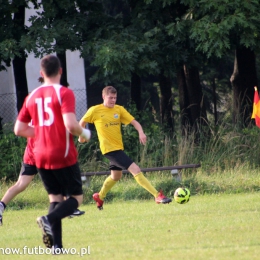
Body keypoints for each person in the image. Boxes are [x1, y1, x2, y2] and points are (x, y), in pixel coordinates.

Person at [13, 54, 91, 251]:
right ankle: (48, 218)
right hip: (61, 153)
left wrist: (40, 133)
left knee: (55, 198)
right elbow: (72, 126)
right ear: (60, 71)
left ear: (41, 73)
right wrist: (85, 133)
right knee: (76, 198)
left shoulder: (32, 96)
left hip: (39, 154)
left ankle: (57, 247)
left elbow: (19, 129)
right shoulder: (64, 93)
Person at [79, 86, 172, 210]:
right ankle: (157, 195)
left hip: (118, 148)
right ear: (103, 97)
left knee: (116, 176)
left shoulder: (119, 109)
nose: (113, 100)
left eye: (115, 98)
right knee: (135, 169)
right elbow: (81, 122)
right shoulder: (95, 110)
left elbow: (134, 122)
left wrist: (141, 132)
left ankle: (100, 197)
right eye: (110, 98)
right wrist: (81, 136)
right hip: (109, 149)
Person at [0, 138, 85, 226]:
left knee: (20, 184)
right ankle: (67, 207)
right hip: (44, 151)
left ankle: (1, 206)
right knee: (59, 179)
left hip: (31, 152)